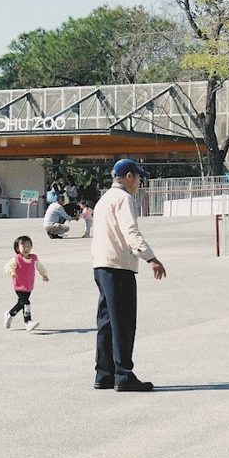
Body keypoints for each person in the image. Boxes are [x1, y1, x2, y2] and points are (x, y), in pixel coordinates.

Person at [91, 159, 166, 393]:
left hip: (101, 265)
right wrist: (150, 258)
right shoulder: (124, 199)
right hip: (119, 267)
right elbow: (130, 231)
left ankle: (104, 374)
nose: (139, 183)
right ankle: (123, 374)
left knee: (106, 322)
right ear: (130, 176)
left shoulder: (104, 199)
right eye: (138, 178)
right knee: (123, 321)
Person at [4, 235, 49, 332]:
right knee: (26, 302)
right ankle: (28, 322)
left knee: (21, 303)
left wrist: (44, 274)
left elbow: (40, 267)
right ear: (17, 248)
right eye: (23, 246)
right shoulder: (17, 259)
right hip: (19, 285)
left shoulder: (33, 258)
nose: (26, 248)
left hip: (28, 285)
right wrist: (11, 271)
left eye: (28, 246)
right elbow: (8, 266)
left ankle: (10, 314)